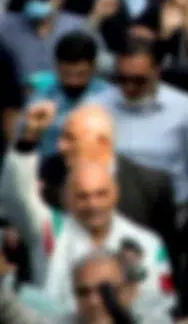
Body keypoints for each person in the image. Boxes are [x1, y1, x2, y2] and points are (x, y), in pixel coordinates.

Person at [2, 102, 176, 318]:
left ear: (115, 194)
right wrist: (26, 141)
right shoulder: (50, 230)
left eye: (100, 194)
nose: (93, 204)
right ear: (68, 199)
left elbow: (159, 307)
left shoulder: (148, 244)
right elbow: (17, 196)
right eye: (82, 196)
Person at [90, 40, 188, 214]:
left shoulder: (186, 109)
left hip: (170, 213)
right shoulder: (96, 107)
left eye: (139, 80)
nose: (129, 87)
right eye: (122, 79)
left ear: (157, 72)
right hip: (112, 210)